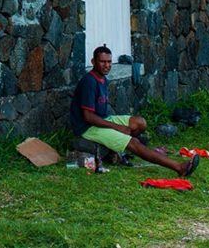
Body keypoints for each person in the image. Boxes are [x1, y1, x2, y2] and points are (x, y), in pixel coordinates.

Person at [70, 45, 200, 177]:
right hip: (87, 127)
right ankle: (179, 167)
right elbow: (88, 117)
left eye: (109, 62)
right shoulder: (89, 82)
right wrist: (117, 128)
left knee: (139, 122)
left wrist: (117, 128)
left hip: (102, 119)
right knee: (133, 142)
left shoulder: (103, 79)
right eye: (102, 62)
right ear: (93, 62)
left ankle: (120, 150)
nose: (107, 65)